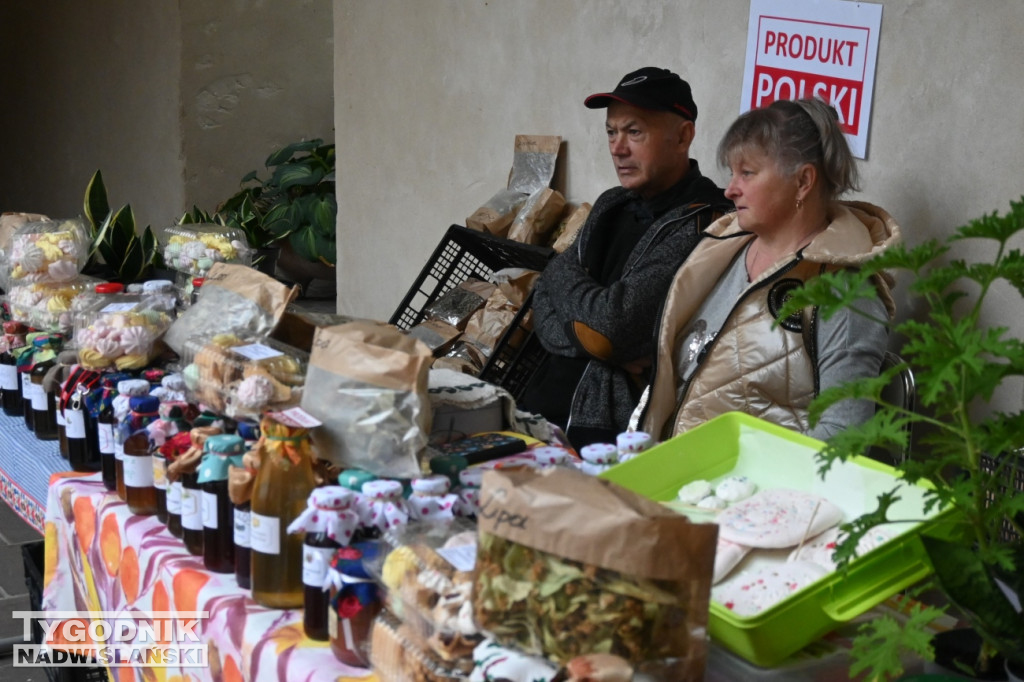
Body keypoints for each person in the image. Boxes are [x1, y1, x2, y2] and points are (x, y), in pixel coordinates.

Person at [631, 98, 901, 442]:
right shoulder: (722, 248)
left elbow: (843, 439)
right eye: (732, 172)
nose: (730, 189)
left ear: (803, 181)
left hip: (750, 491)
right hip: (679, 469)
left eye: (747, 173)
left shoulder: (846, 295)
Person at [521, 67, 732, 449]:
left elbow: (612, 327)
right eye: (611, 132)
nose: (618, 148)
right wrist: (600, 343)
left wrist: (601, 332)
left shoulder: (705, 221)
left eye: (634, 132)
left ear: (683, 136)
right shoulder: (611, 205)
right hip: (538, 413)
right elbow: (542, 297)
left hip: (606, 437)